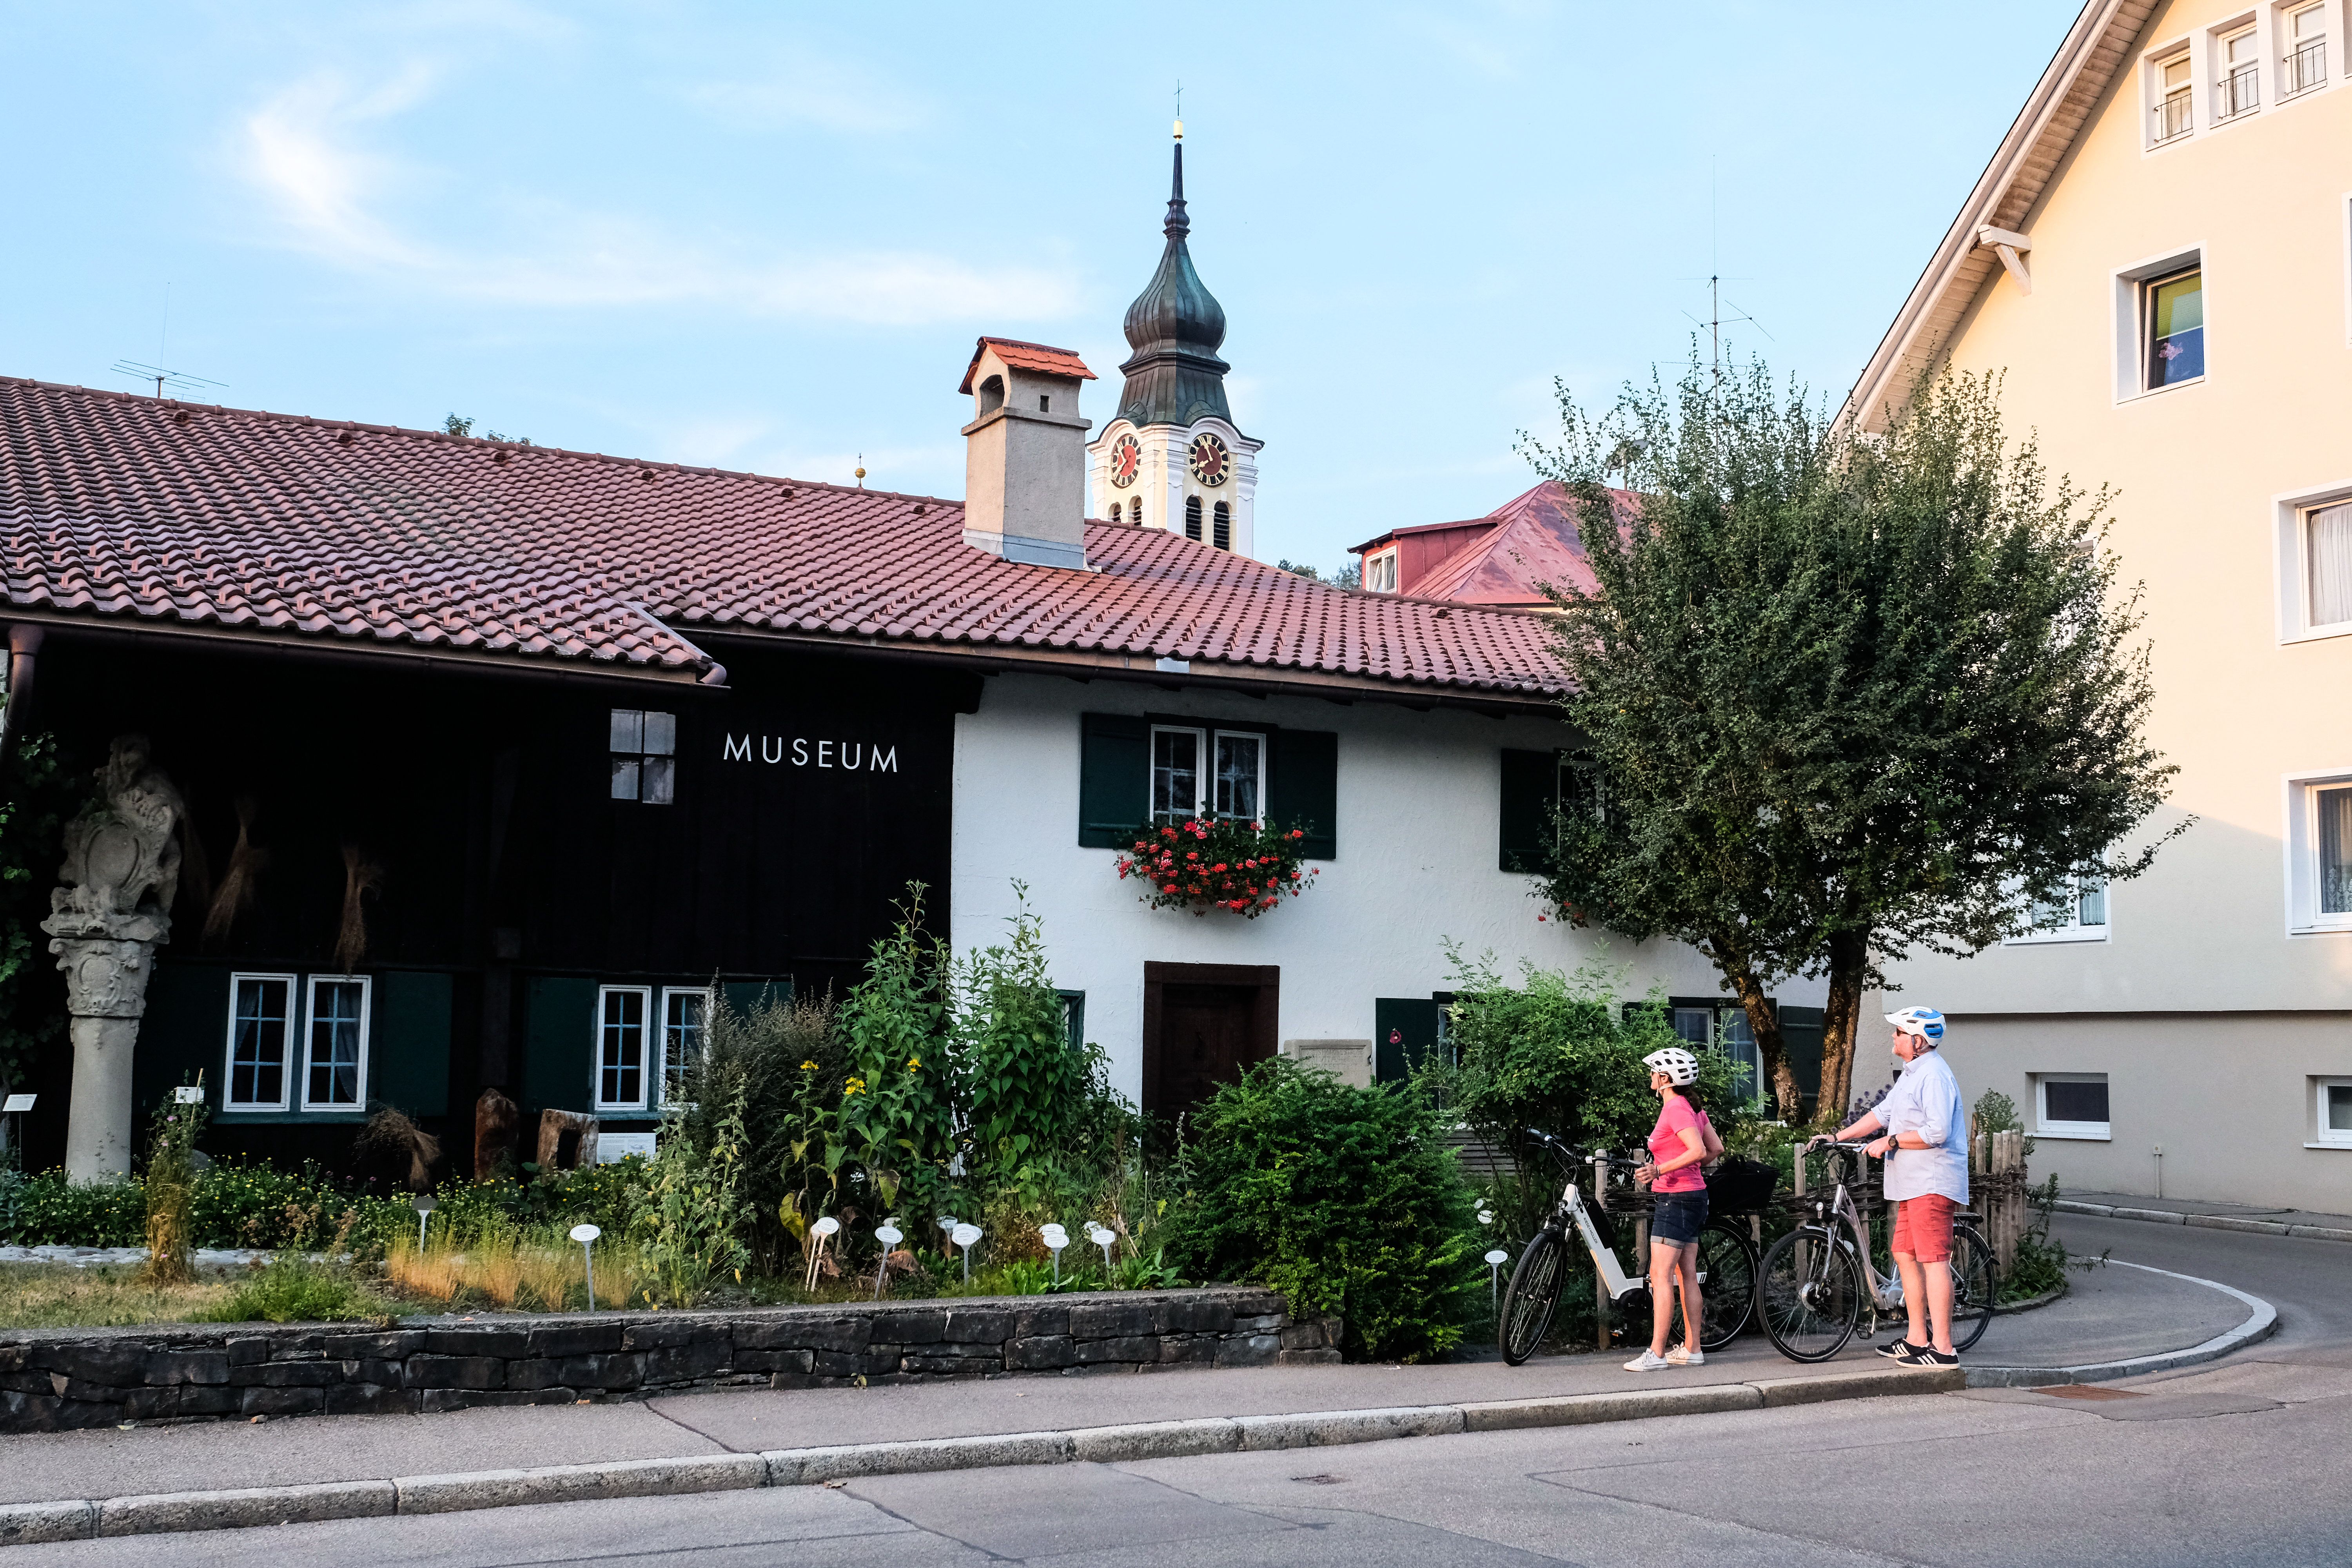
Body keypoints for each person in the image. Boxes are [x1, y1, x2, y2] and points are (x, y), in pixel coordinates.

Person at [1827, 1006, 1969, 1367]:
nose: (1894, 1037)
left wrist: (1891, 1143)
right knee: (1905, 1255)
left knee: (1934, 1261)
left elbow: (1937, 1133)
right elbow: (1881, 1114)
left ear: (1918, 1041)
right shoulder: (1912, 1074)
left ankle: (1944, 1349)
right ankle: (1917, 1338)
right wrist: (1836, 1136)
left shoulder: (1934, 1076)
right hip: (1911, 1184)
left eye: (1900, 1033)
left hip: (1931, 1182)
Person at [1625, 1046, 1724, 1372]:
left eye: (1654, 1072)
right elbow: (1716, 1149)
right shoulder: (1691, 1107)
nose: (1651, 1076)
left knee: (1661, 1276)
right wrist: (1686, 1171)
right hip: (1694, 1197)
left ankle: (1657, 1353)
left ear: (1665, 1079)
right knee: (1686, 1274)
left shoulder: (1676, 1109)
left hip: (1677, 1200)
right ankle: (1693, 1349)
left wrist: (1661, 1170)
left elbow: (1698, 1150)